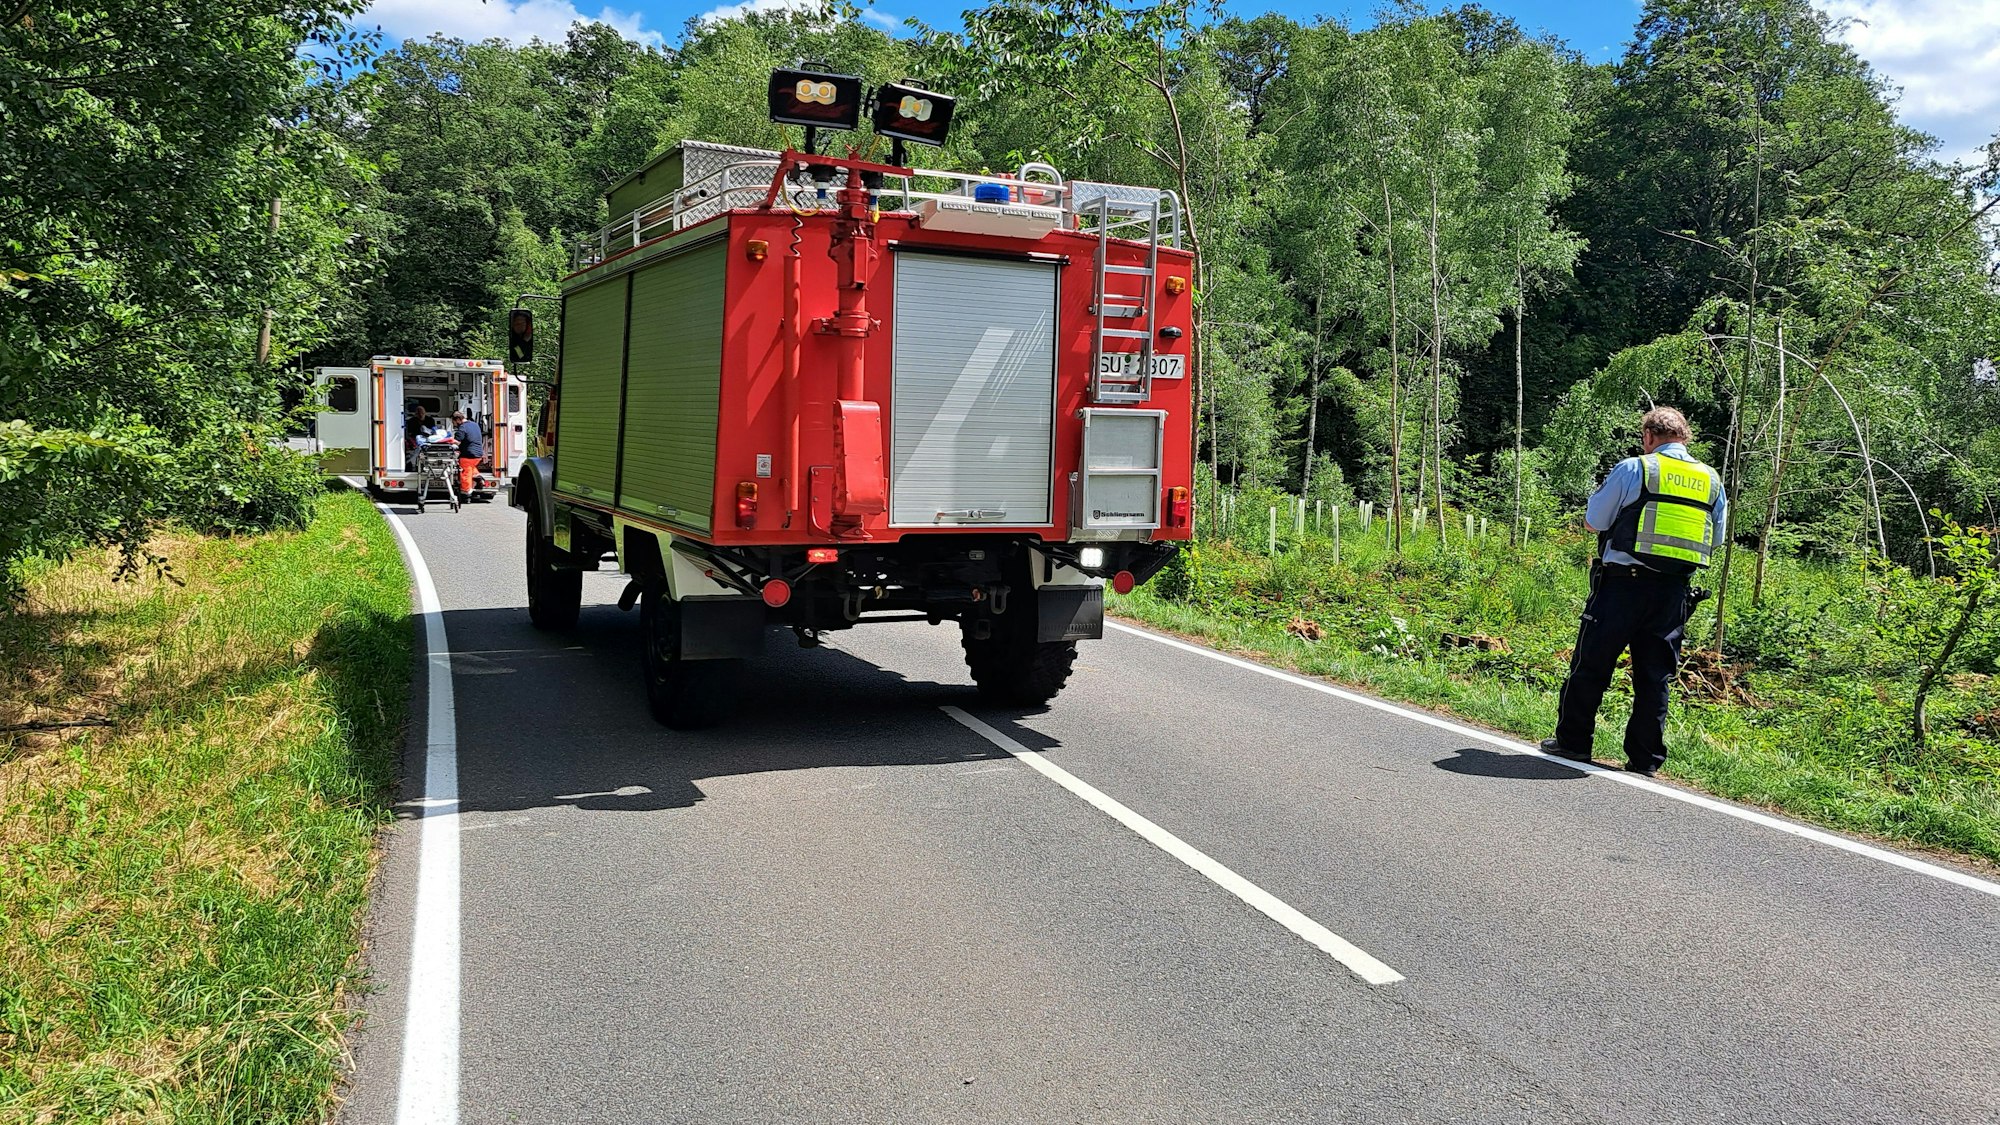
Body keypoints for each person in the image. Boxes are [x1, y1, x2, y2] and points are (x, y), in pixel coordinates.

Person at [1543, 406, 1727, 777]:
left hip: (1622, 585)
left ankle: (1573, 743)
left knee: (1591, 664)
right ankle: (1645, 759)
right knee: (1655, 676)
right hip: (1673, 593)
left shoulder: (1636, 468)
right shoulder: (1711, 480)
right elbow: (1716, 538)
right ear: (1685, 438)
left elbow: (1594, 521)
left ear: (1648, 437)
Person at [450, 410, 485, 497]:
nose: (454, 425)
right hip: (478, 454)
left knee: (465, 472)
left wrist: (449, 440)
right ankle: (478, 477)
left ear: (458, 419)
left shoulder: (462, 428)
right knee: (471, 467)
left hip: (468, 455)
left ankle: (466, 492)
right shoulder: (474, 424)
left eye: (453, 422)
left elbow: (457, 442)